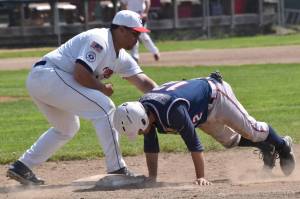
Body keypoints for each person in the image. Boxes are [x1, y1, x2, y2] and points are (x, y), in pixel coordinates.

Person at [6, 10, 158, 186]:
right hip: (48, 75)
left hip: (45, 80)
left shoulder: (121, 56)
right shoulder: (100, 40)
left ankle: (22, 166)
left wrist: (165, 96)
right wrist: (102, 88)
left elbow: (144, 83)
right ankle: (117, 168)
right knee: (104, 107)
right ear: (121, 30)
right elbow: (80, 74)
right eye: (135, 33)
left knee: (67, 128)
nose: (137, 38)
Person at [113, 72, 296, 185]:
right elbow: (151, 146)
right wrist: (152, 177)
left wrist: (201, 176)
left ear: (143, 121)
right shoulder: (144, 112)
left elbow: (194, 143)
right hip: (200, 110)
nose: (139, 134)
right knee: (230, 141)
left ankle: (282, 145)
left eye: (137, 131)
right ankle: (266, 147)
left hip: (216, 96)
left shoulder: (172, 111)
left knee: (252, 130)